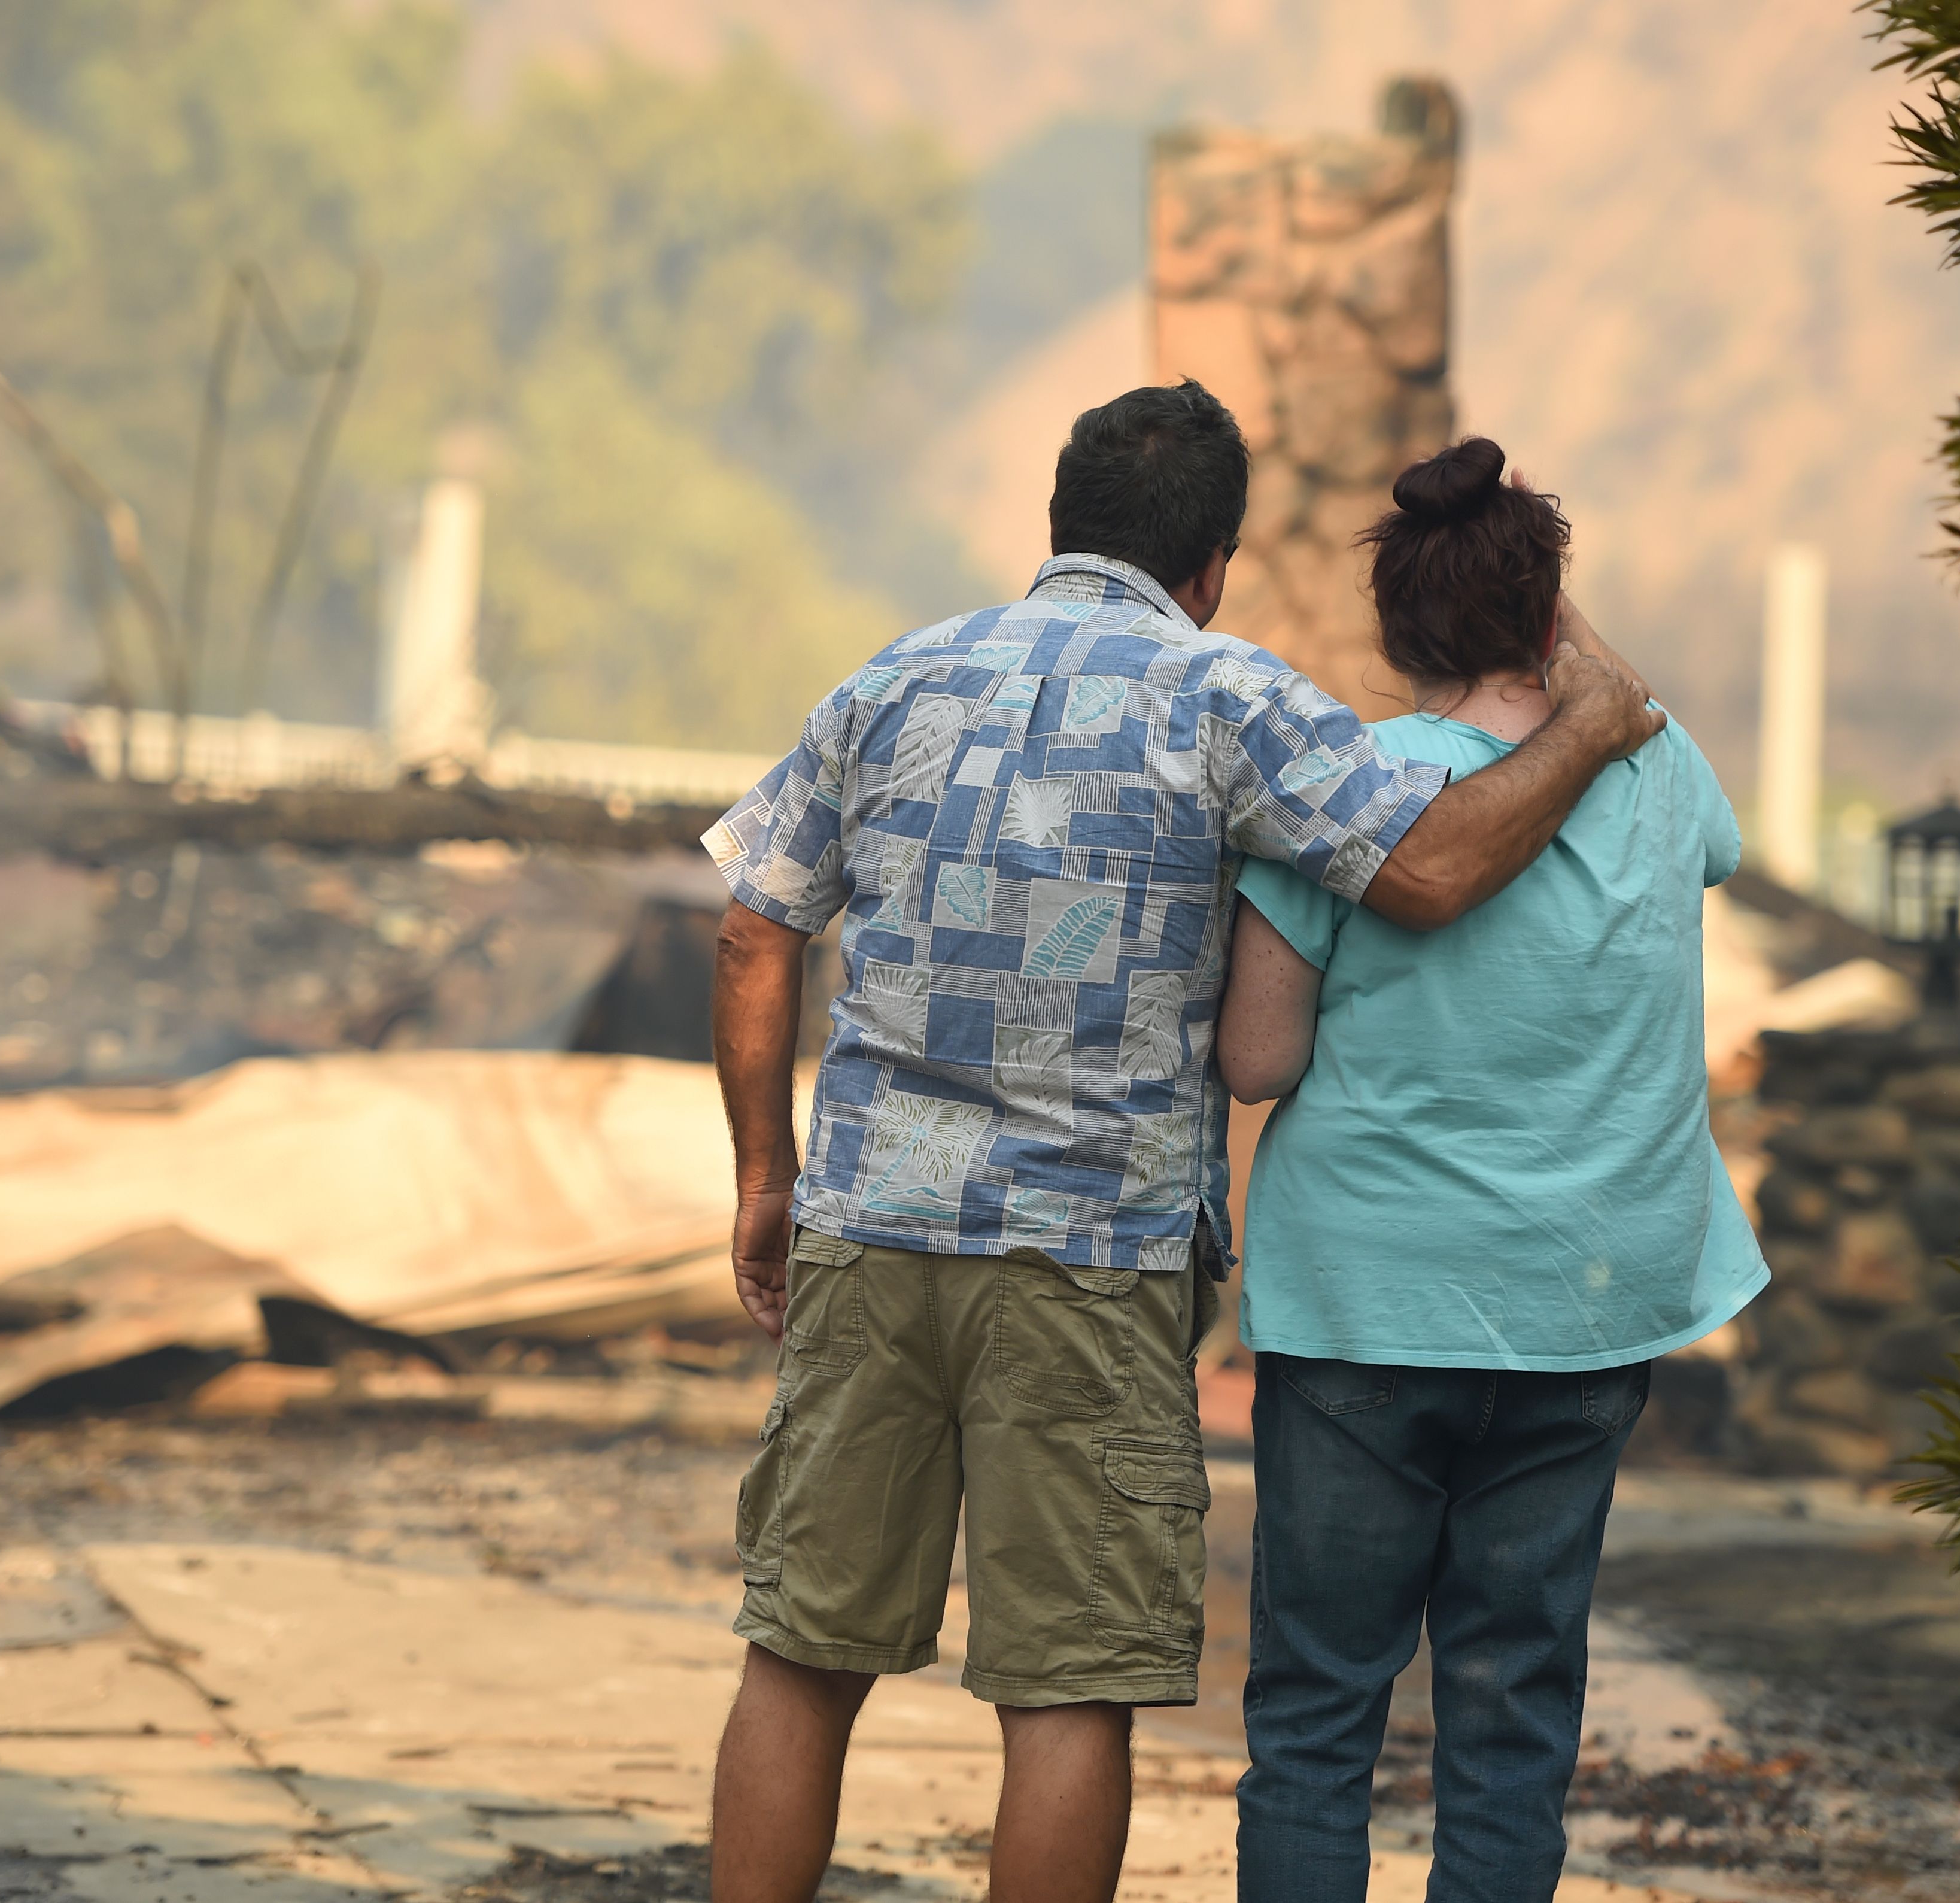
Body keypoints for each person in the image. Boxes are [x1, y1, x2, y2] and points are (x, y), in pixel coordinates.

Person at [698, 384, 1666, 1903]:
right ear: (1210, 560)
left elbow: (756, 933)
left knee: (803, 1652)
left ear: (1058, 525)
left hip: (870, 1235)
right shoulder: (1230, 698)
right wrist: (1594, 724)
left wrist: (767, 1183)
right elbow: (1426, 872)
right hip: (1092, 1264)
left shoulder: (895, 680)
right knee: (1067, 1687)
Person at [1217, 438, 1768, 1903]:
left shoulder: (1356, 782)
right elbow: (1641, 731)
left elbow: (1256, 1062)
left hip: (1365, 1307)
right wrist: (1559, 633)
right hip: (1584, 1309)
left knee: (1319, 1719)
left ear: (1396, 632)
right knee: (1513, 1723)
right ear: (1546, 612)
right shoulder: (1661, 773)